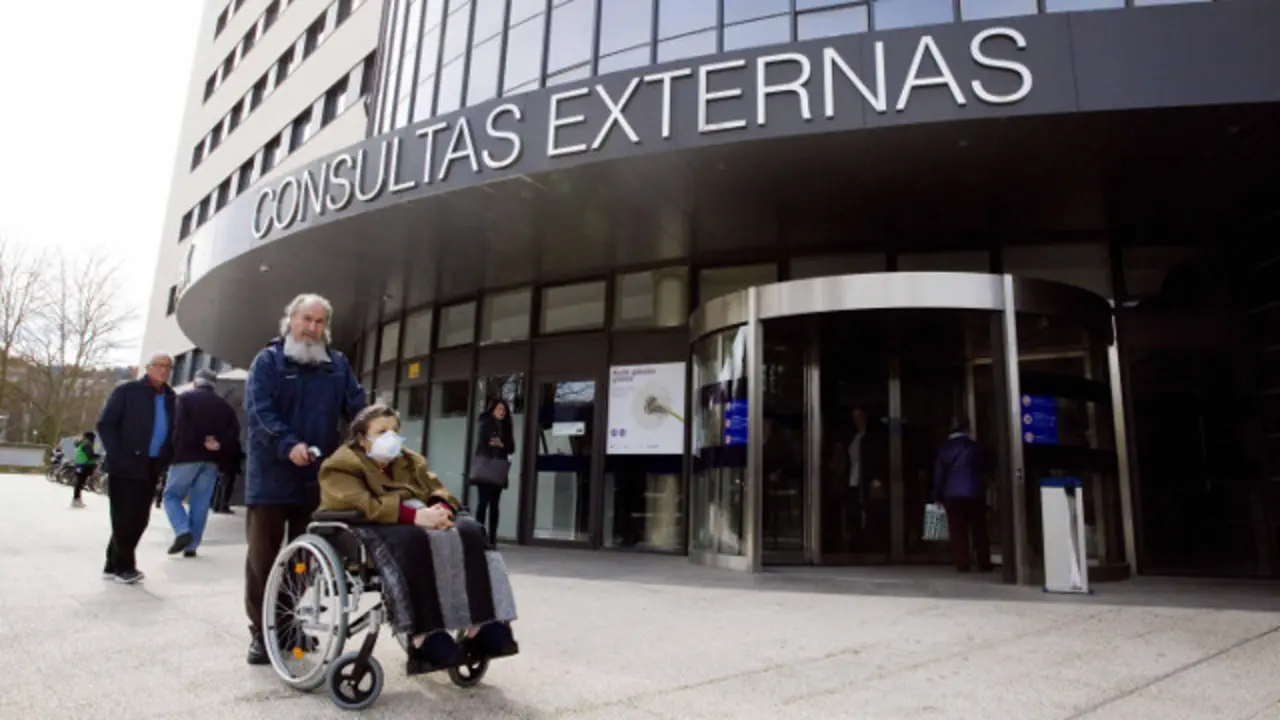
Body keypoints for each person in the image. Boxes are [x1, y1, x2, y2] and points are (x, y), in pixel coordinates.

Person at [319, 404, 518, 670]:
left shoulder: (409, 461)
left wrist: (441, 509)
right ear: (361, 437)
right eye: (381, 431)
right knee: (413, 540)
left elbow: (437, 489)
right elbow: (360, 503)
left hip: (419, 518)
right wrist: (414, 517)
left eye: (394, 430)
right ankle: (425, 636)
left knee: (471, 531)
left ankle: (484, 624)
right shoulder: (340, 465)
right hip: (372, 526)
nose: (390, 437)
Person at [243, 293, 366, 665]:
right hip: (271, 477)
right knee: (263, 559)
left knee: (304, 560)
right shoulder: (268, 362)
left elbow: (357, 407)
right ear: (291, 320)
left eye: (319, 322)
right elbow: (259, 412)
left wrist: (376, 431)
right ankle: (261, 632)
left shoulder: (337, 365)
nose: (312, 328)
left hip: (316, 478)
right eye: (306, 320)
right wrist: (288, 444)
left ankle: (286, 624)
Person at [97, 354, 177, 584]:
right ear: (148, 368)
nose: (163, 370)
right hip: (125, 463)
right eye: (158, 366)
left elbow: (174, 430)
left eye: (168, 367)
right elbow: (106, 424)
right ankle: (125, 567)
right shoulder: (128, 391)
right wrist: (117, 454)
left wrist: (166, 457)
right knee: (123, 517)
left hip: (151, 465)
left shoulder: (171, 397)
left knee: (140, 518)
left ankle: (111, 564)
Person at [164, 369, 241, 558]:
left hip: (186, 456)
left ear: (196, 381)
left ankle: (182, 530)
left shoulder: (184, 399)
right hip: (211, 460)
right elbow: (233, 434)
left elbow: (180, 426)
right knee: (200, 503)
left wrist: (200, 441)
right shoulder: (225, 407)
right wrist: (217, 444)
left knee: (172, 495)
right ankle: (192, 546)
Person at [933, 417, 993, 573]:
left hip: (952, 494)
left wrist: (937, 495)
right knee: (979, 529)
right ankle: (983, 561)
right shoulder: (975, 447)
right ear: (967, 429)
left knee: (958, 530)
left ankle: (962, 563)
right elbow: (984, 468)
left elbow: (939, 474)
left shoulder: (944, 449)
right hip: (974, 492)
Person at [469, 399, 515, 546]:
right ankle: (479, 537)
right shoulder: (486, 423)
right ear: (493, 410)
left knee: (495, 505)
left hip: (498, 469)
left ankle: (492, 539)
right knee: (483, 504)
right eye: (499, 409)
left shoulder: (507, 426)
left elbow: (511, 447)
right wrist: (495, 444)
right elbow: (483, 444)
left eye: (504, 410)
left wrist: (501, 444)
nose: (502, 412)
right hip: (486, 468)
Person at [70, 431, 99, 508]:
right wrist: (98, 457)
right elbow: (90, 456)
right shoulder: (87, 445)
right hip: (85, 465)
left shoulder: (81, 444)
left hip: (79, 465)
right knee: (80, 483)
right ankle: (76, 500)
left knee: (79, 483)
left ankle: (76, 499)